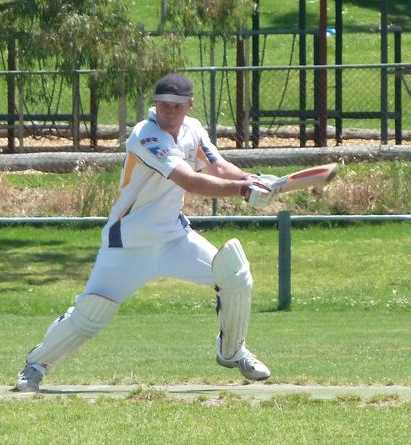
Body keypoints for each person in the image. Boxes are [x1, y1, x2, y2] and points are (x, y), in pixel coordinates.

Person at [14, 73, 279, 392]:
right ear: (155, 105)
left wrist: (254, 179)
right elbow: (190, 181)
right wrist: (242, 191)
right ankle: (36, 365)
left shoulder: (193, 129)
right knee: (90, 315)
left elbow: (217, 167)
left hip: (175, 239)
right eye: (162, 104)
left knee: (235, 275)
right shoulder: (145, 136)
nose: (168, 111)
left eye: (176, 106)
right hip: (127, 244)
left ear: (189, 105)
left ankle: (232, 352)